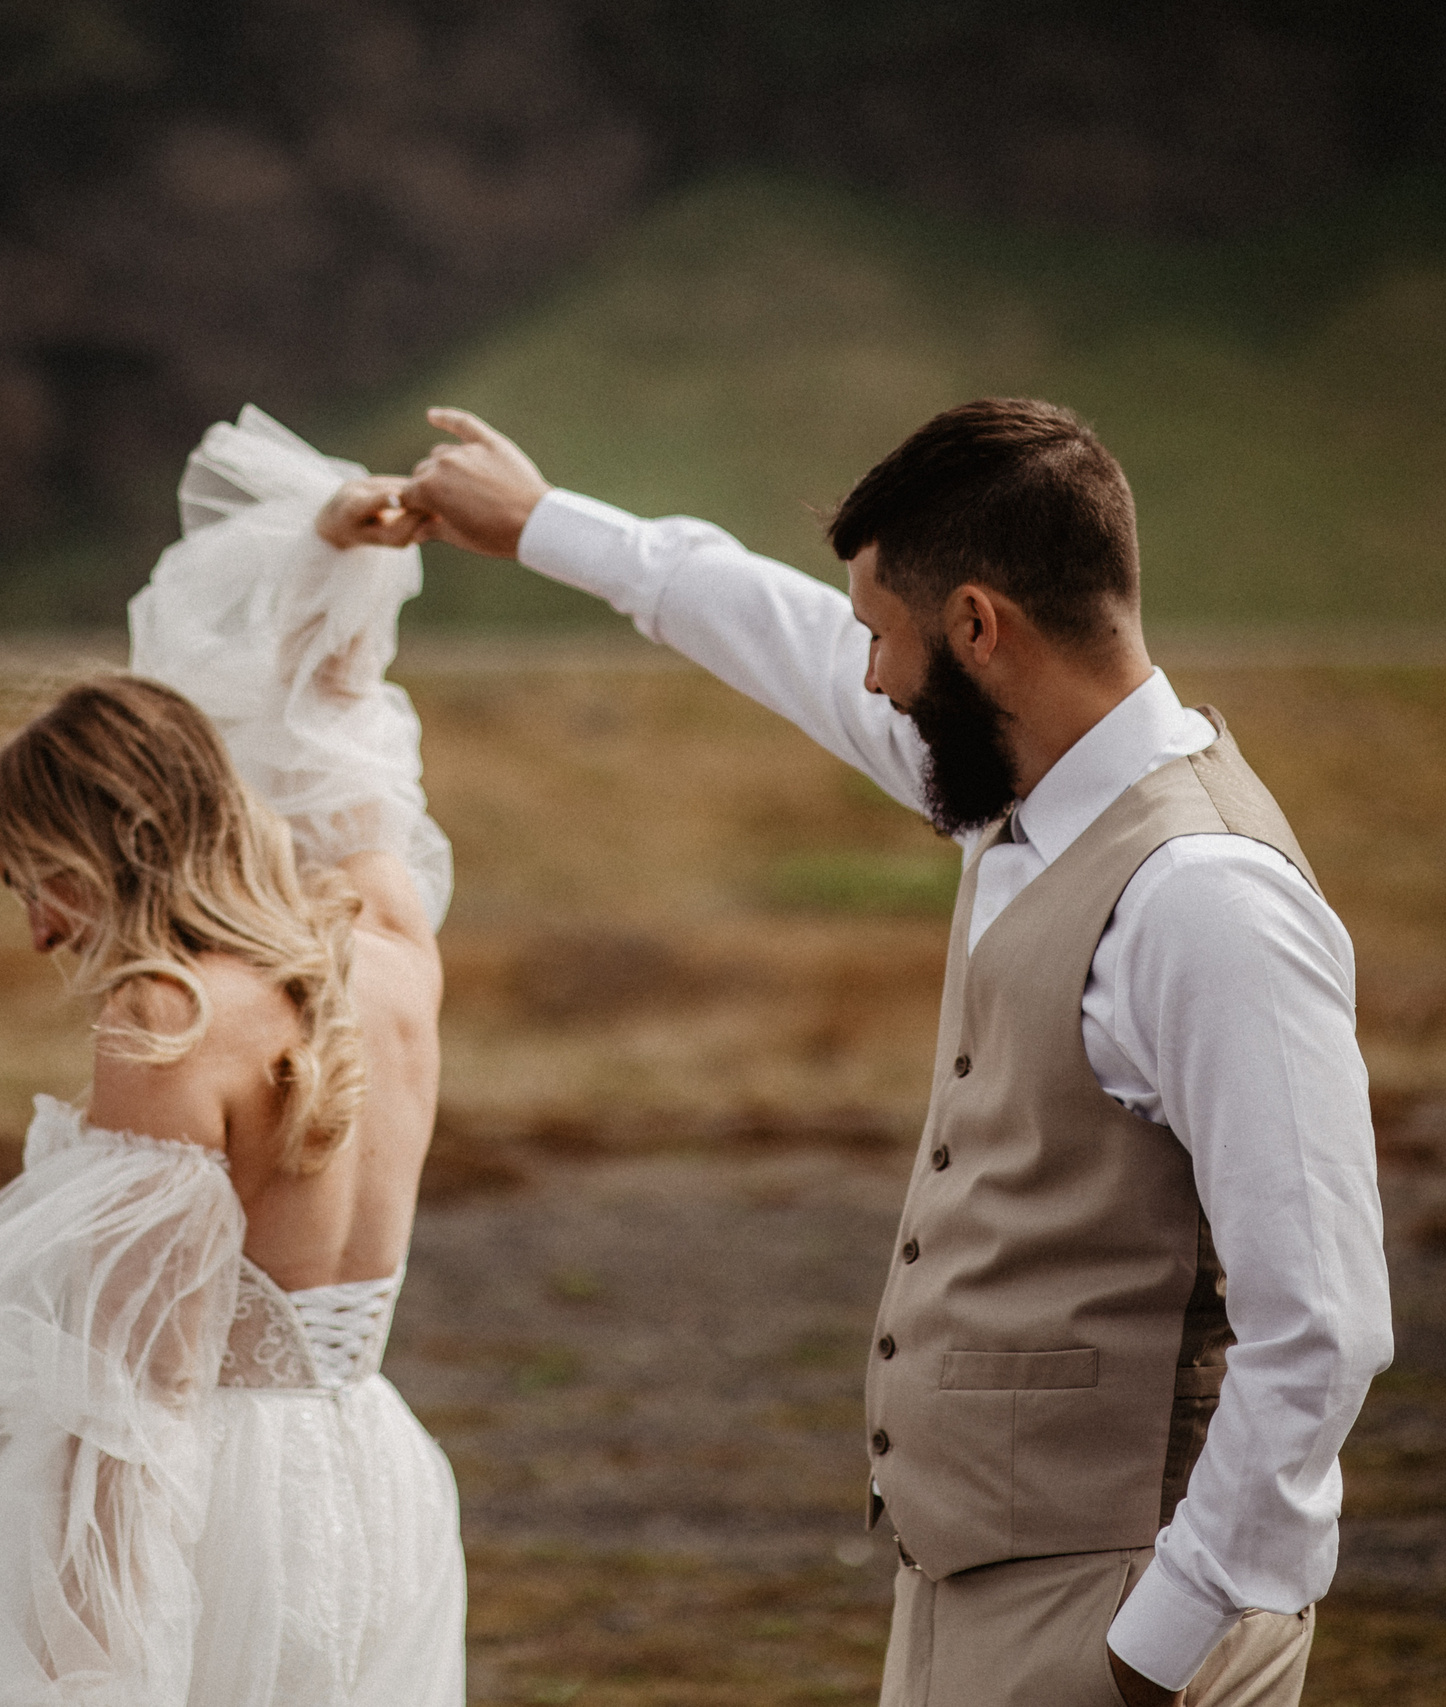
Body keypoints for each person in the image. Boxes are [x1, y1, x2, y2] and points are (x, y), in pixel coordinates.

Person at [353, 400, 1393, 1707]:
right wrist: (548, 525)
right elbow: (774, 633)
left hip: (1120, 1616)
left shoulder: (1207, 903)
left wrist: (1162, 1639)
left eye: (884, 640)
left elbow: (1326, 1323)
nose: (870, 682)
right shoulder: (1024, 788)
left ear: (977, 628)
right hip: (978, 1589)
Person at [0, 409, 463, 1707]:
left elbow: (140, 1404)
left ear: (117, 841)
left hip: (222, 1514)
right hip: (374, 1475)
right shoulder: (392, 945)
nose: (37, 931)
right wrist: (337, 556)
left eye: (39, 879)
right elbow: (339, 719)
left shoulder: (166, 1017)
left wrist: (92, 1664)